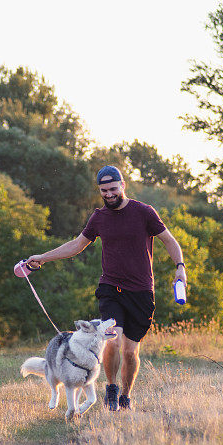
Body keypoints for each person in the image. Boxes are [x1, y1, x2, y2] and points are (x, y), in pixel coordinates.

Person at [26, 165, 186, 411]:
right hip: (110, 288)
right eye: (104, 191)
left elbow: (169, 240)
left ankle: (125, 395)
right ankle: (110, 389)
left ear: (123, 185)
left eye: (113, 189)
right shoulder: (99, 217)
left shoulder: (144, 212)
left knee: (131, 353)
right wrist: (43, 257)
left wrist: (180, 267)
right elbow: (77, 245)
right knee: (111, 342)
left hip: (141, 292)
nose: (109, 194)